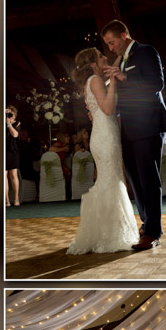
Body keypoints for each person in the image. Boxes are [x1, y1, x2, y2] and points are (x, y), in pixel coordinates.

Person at [101, 19, 166, 251]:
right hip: (128, 128)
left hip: (147, 125)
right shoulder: (121, 60)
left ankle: (153, 232)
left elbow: (157, 84)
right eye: (108, 44)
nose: (110, 48)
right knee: (136, 180)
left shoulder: (146, 51)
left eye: (112, 42)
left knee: (149, 180)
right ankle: (146, 223)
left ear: (123, 36)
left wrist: (124, 77)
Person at [66, 48, 139, 255]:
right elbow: (107, 109)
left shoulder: (94, 80)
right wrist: (114, 80)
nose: (104, 57)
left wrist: (119, 59)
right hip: (105, 136)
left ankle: (104, 233)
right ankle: (111, 235)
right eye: (100, 56)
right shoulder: (96, 80)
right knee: (112, 181)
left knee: (110, 180)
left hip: (103, 134)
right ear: (92, 64)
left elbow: (110, 72)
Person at [4, 104, 21, 206]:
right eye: (8, 114)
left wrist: (8, 124)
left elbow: (15, 135)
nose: (10, 116)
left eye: (11, 114)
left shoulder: (17, 123)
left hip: (13, 151)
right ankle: (6, 199)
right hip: (3, 150)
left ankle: (16, 198)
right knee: (4, 175)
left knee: (13, 175)